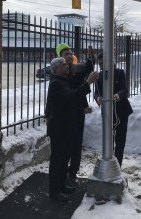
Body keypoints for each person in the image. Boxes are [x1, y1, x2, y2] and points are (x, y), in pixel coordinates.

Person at [45, 57, 98, 202]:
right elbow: (71, 96)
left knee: (64, 159)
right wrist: (88, 83)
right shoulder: (56, 84)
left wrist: (82, 110)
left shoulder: (64, 81)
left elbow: (68, 103)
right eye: (63, 64)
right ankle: (54, 191)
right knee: (57, 160)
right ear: (56, 69)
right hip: (59, 129)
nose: (67, 65)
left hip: (67, 127)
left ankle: (62, 186)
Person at [55, 43, 95, 187]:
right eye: (66, 54)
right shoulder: (60, 74)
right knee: (67, 145)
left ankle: (72, 173)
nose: (70, 55)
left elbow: (89, 69)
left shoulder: (78, 69)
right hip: (68, 114)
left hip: (79, 112)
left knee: (77, 144)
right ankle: (63, 173)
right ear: (60, 58)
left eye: (70, 52)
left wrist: (90, 58)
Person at [94, 52, 133, 166]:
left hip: (121, 110)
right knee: (108, 139)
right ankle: (108, 162)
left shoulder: (119, 73)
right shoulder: (99, 76)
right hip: (107, 111)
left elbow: (125, 90)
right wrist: (98, 98)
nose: (101, 66)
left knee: (120, 141)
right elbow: (96, 93)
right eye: (99, 63)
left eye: (103, 63)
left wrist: (118, 95)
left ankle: (117, 165)